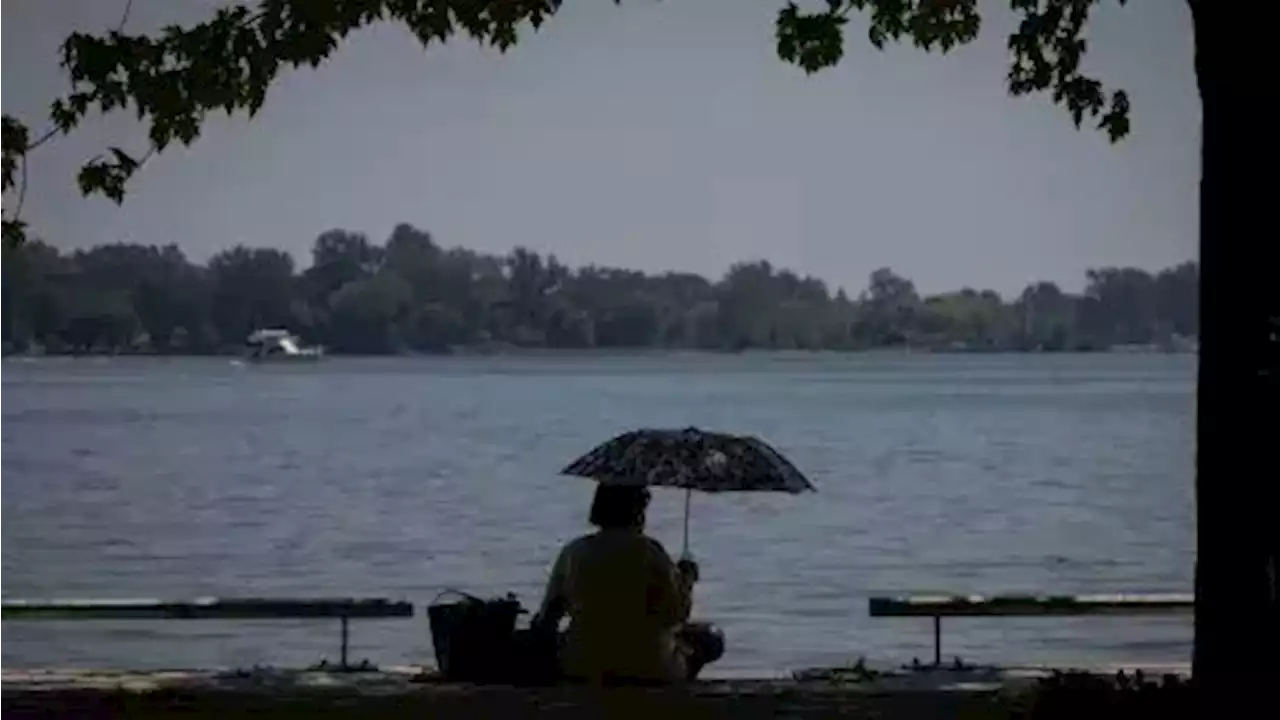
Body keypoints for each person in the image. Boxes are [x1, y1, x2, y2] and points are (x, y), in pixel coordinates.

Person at [530, 483, 725, 684]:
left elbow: (548, 616)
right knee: (711, 638)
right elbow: (676, 614)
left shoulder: (574, 551)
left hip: (583, 665)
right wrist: (687, 579)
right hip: (651, 667)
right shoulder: (651, 552)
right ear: (638, 511)